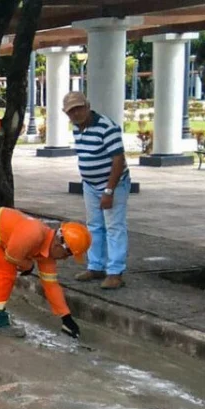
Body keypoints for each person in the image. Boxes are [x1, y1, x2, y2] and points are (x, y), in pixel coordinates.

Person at [0, 207, 92, 339]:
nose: (66, 259)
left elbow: (51, 286)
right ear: (59, 245)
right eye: (68, 254)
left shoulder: (48, 253)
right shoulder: (34, 233)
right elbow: (11, 257)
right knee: (3, 271)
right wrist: (28, 265)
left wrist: (66, 318)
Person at [64, 91, 130, 290]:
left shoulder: (107, 127)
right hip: (90, 184)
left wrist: (109, 191)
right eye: (71, 111)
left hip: (113, 184)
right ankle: (95, 266)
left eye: (79, 108)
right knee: (94, 226)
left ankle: (115, 272)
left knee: (114, 227)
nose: (76, 113)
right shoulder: (77, 128)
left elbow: (118, 160)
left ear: (88, 106)